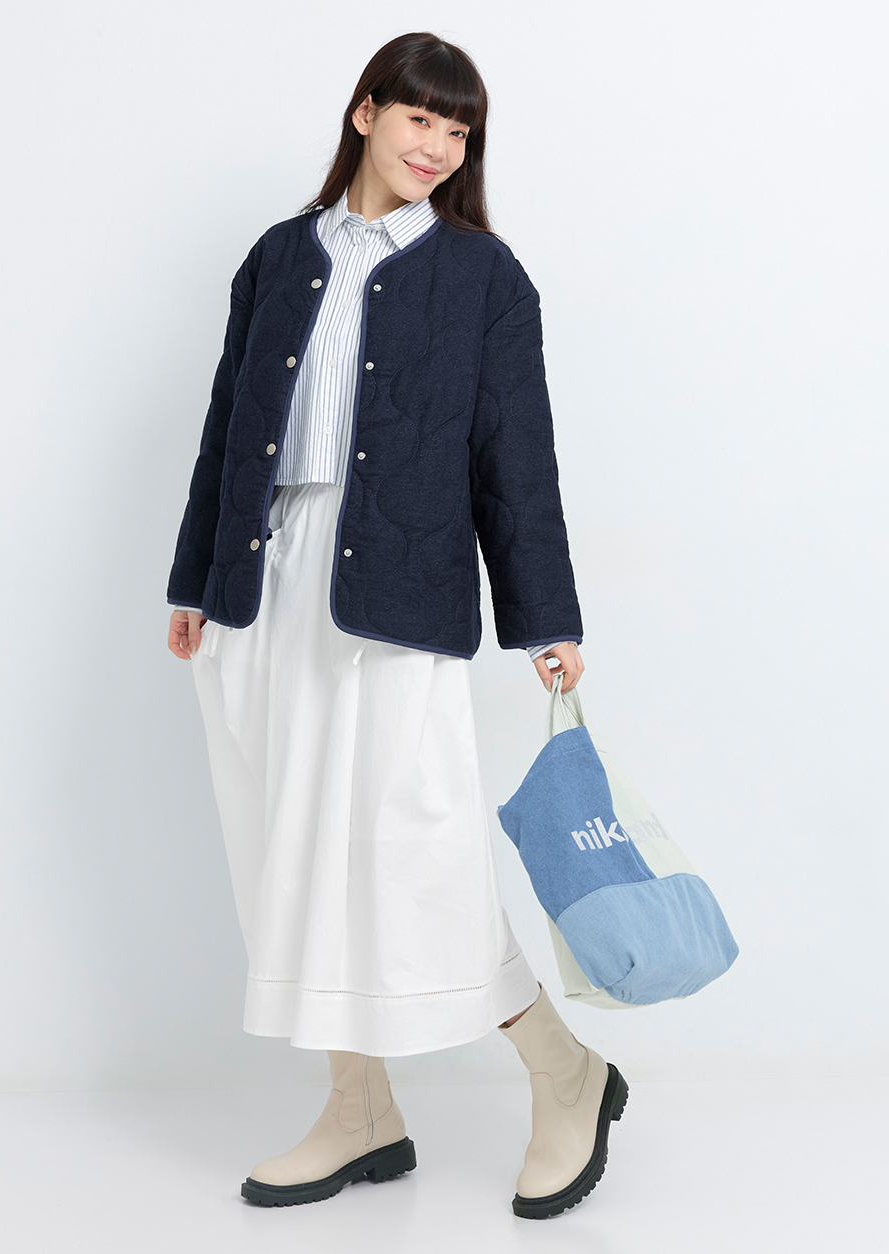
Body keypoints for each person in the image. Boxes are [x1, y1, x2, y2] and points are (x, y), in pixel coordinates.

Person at [165, 31, 628, 1219]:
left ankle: (564, 1072)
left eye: (459, 130)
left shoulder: (482, 276)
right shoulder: (279, 256)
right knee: (292, 853)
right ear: (365, 113)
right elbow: (227, 429)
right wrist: (194, 582)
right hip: (265, 587)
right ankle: (360, 1110)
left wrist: (543, 616)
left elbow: (516, 460)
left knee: (417, 854)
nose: (438, 146)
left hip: (397, 591)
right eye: (420, 118)